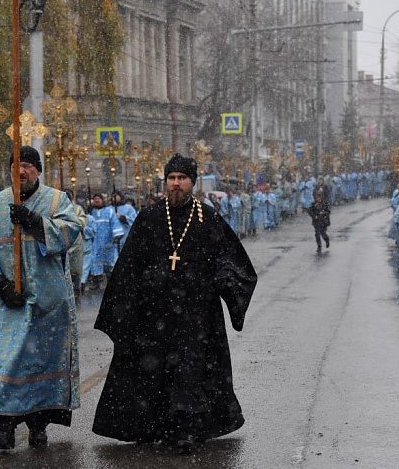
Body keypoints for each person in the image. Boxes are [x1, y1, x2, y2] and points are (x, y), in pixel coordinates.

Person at [92, 153, 257, 453]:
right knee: (152, 371)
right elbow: (128, 265)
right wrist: (125, 306)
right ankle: (154, 425)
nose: (176, 184)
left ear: (192, 182)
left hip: (196, 314)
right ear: (165, 181)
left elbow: (231, 260)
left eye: (182, 178)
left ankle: (186, 429)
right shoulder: (149, 217)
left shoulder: (208, 218)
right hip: (153, 313)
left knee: (190, 371)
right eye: (171, 178)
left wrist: (224, 278)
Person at [0, 146, 82, 450]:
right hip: (6, 301)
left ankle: (38, 425)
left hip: (48, 302)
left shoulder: (57, 200)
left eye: (28, 166)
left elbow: (72, 230)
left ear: (38, 171)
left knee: (40, 364)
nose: (21, 171)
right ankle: (4, 427)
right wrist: (0, 284)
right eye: (16, 166)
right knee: (5, 363)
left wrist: (35, 222)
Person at [86, 193, 124, 291]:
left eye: (99, 198)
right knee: (95, 262)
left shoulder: (109, 211)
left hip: (108, 242)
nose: (97, 200)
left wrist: (117, 235)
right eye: (95, 199)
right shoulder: (90, 213)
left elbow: (115, 223)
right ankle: (96, 283)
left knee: (110, 262)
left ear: (103, 200)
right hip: (95, 243)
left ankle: (110, 283)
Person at [64, 189, 87, 305]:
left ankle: (77, 293)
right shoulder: (58, 207)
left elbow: (82, 221)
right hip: (63, 242)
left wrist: (72, 222)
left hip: (76, 243)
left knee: (76, 270)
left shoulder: (77, 208)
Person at [307, 187, 331, 253]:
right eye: (317, 197)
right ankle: (319, 246)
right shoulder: (314, 204)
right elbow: (309, 211)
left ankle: (327, 240)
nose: (318, 198)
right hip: (317, 222)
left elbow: (328, 211)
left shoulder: (325, 203)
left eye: (319, 197)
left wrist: (323, 214)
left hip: (323, 221)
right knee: (317, 234)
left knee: (323, 233)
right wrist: (314, 216)